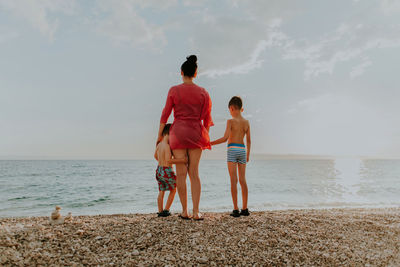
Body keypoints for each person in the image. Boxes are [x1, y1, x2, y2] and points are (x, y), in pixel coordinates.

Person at [157, 55, 213, 220]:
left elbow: (165, 114)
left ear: (181, 72)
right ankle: (196, 212)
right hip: (196, 132)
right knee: (194, 173)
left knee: (181, 174)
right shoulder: (203, 92)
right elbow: (207, 119)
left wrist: (159, 135)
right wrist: (205, 136)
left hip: (178, 133)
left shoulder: (174, 90)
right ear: (195, 73)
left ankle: (184, 211)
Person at [211, 96, 251, 217]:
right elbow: (249, 141)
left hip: (232, 149)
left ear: (232, 108)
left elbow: (224, 138)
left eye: (230, 110)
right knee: (242, 180)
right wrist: (248, 155)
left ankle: (235, 209)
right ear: (241, 109)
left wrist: (210, 143)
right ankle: (245, 209)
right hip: (242, 150)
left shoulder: (230, 121)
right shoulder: (246, 122)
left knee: (233, 180)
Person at [154, 124, 188, 217]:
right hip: (167, 170)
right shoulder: (167, 146)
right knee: (173, 190)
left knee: (161, 190)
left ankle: (160, 211)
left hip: (159, 170)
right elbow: (169, 160)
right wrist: (182, 160)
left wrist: (161, 161)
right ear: (168, 134)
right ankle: (166, 210)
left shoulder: (159, 145)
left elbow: (155, 156)